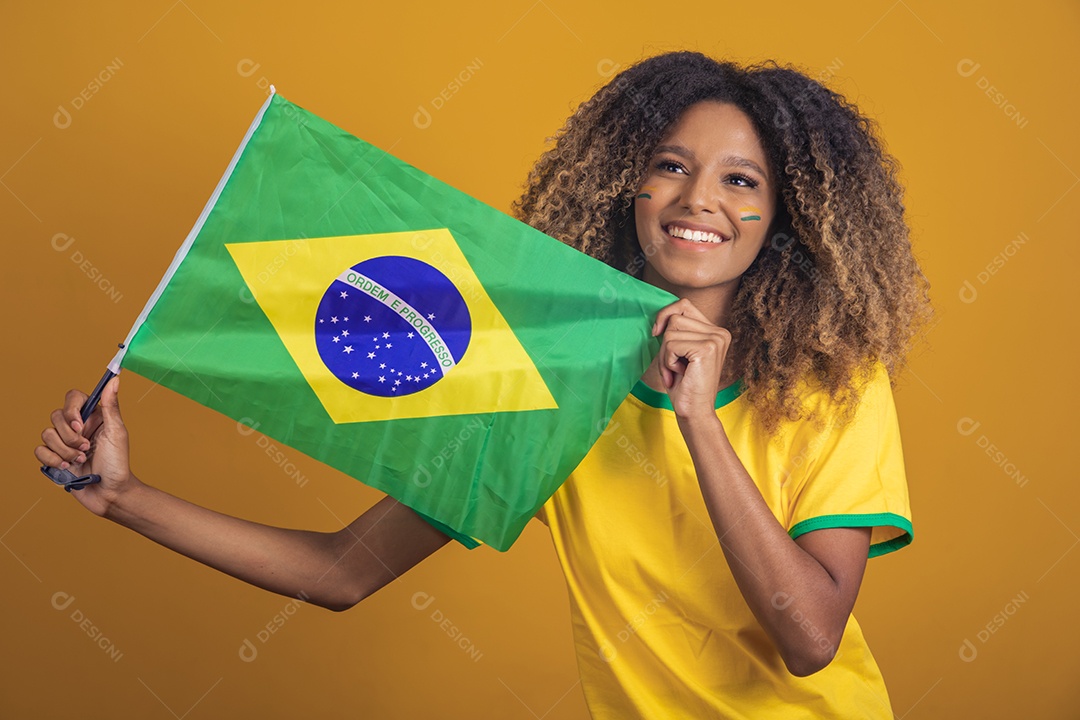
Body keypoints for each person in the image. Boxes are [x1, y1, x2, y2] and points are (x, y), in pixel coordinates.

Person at [35, 52, 931, 718]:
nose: (699, 198)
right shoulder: (550, 382)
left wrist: (699, 423)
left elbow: (811, 640)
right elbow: (344, 571)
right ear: (627, 186)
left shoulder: (832, 387)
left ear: (782, 218)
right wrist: (121, 498)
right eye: (670, 165)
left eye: (742, 181)